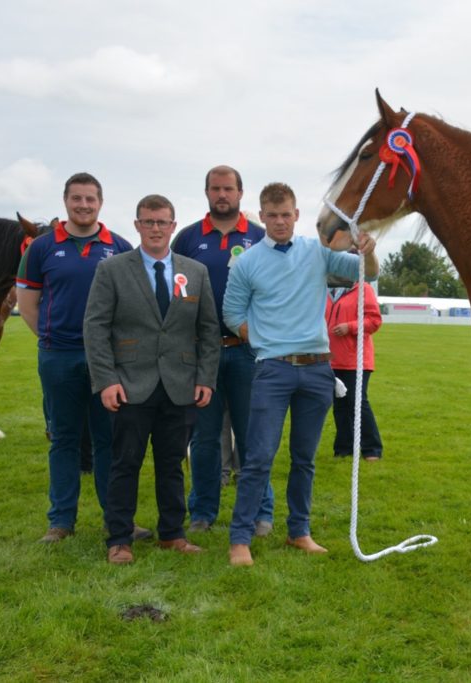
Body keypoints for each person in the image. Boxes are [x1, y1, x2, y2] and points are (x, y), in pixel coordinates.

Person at [224, 182, 378, 567]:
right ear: (262, 217)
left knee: (305, 458)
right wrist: (261, 341)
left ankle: (299, 531)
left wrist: (369, 252)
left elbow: (365, 273)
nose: (279, 221)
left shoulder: (317, 252)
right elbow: (232, 313)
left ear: (296, 215)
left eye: (286, 214)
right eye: (272, 215)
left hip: (317, 370)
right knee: (259, 457)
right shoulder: (247, 262)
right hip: (273, 370)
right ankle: (239, 538)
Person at [16, 172, 152, 544]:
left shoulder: (121, 246)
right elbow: (27, 304)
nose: (84, 205)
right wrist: (51, 339)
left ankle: (116, 519)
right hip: (59, 358)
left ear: (100, 203)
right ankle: (61, 522)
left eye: (90, 199)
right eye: (77, 198)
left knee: (109, 439)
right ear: (66, 202)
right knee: (64, 439)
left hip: (107, 361)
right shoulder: (41, 248)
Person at [84, 194, 220, 564]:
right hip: (130, 383)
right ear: (137, 225)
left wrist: (205, 376)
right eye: (148, 222)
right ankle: (119, 539)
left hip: (180, 384)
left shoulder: (195, 272)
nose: (155, 228)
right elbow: (95, 327)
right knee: (124, 463)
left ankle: (172, 534)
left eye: (162, 222)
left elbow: (208, 330)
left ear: (173, 226)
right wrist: (106, 380)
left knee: (172, 463)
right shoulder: (112, 270)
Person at [171, 165, 275, 535]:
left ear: (240, 193)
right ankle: (202, 512)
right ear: (206, 193)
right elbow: (176, 296)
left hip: (248, 352)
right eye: (215, 188)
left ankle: (261, 512)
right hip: (203, 355)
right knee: (204, 439)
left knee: (253, 436)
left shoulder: (262, 237)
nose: (222, 195)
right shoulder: (186, 239)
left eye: (228, 188)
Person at [326, 274, 384, 461]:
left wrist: (350, 327)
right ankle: (343, 448)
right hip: (330, 359)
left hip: (355, 359)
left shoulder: (363, 289)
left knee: (357, 403)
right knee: (340, 405)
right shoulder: (325, 290)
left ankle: (372, 448)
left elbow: (374, 321)